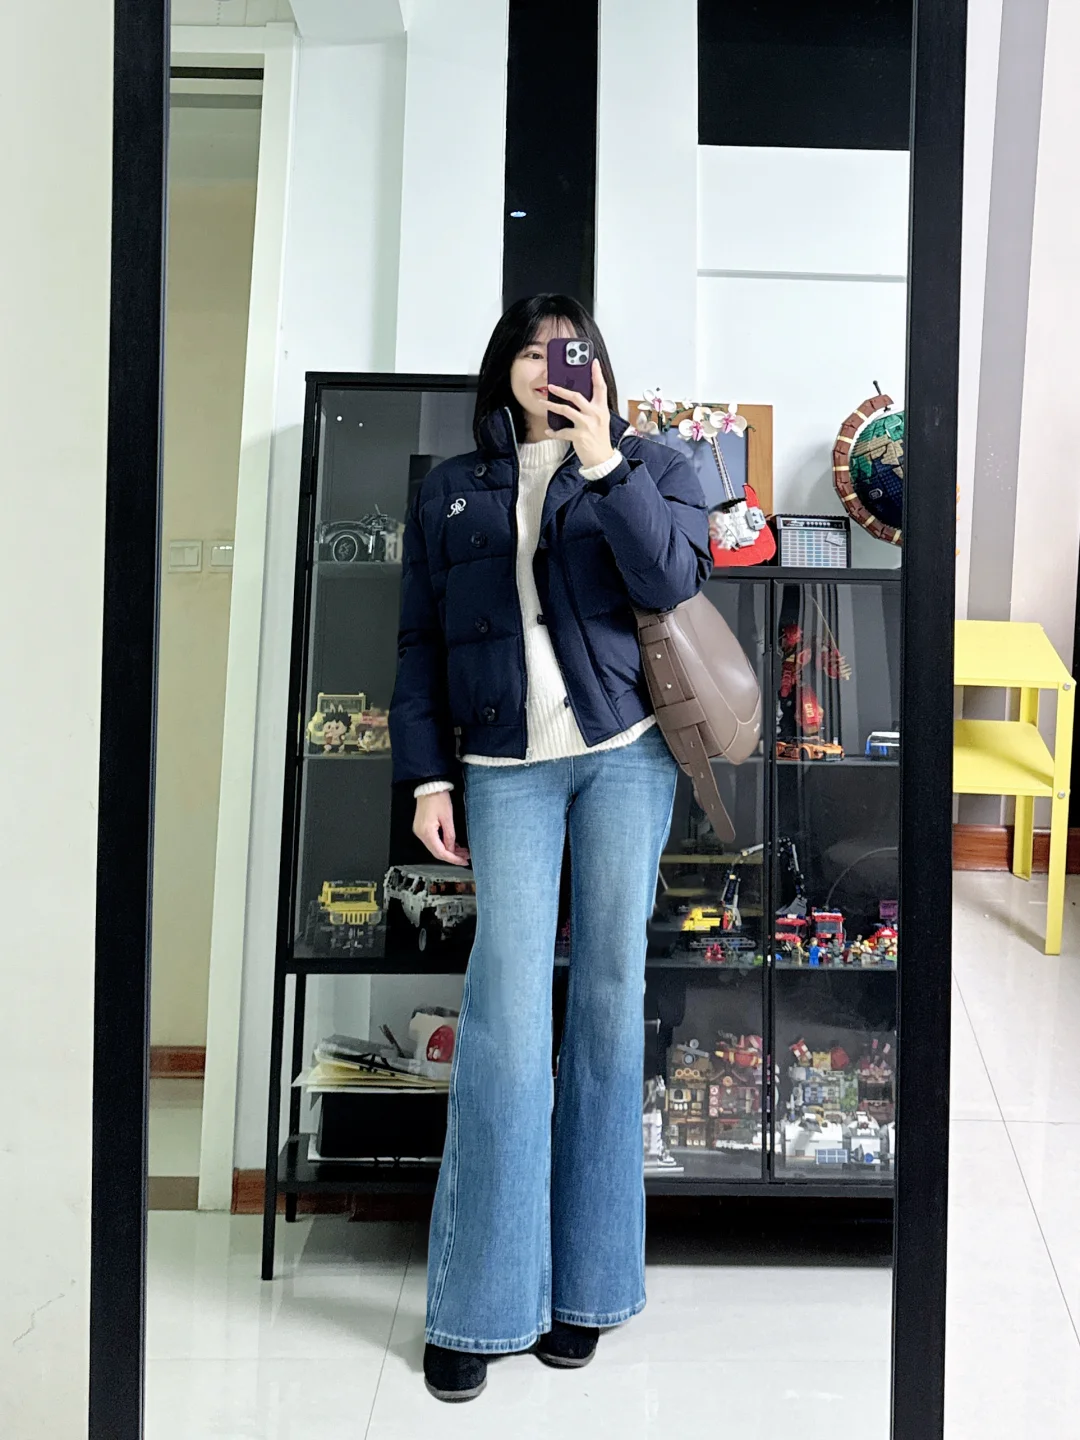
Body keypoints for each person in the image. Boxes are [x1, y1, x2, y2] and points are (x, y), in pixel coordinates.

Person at [388, 294, 710, 1402]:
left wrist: (605, 458)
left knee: (610, 1004)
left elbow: (672, 579)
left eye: (564, 350)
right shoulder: (449, 487)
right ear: (503, 366)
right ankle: (479, 1306)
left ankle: (590, 1289)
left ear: (597, 365)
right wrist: (428, 775)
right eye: (528, 349)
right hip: (501, 764)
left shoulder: (655, 464)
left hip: (625, 755)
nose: (545, 365)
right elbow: (419, 639)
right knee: (506, 1020)